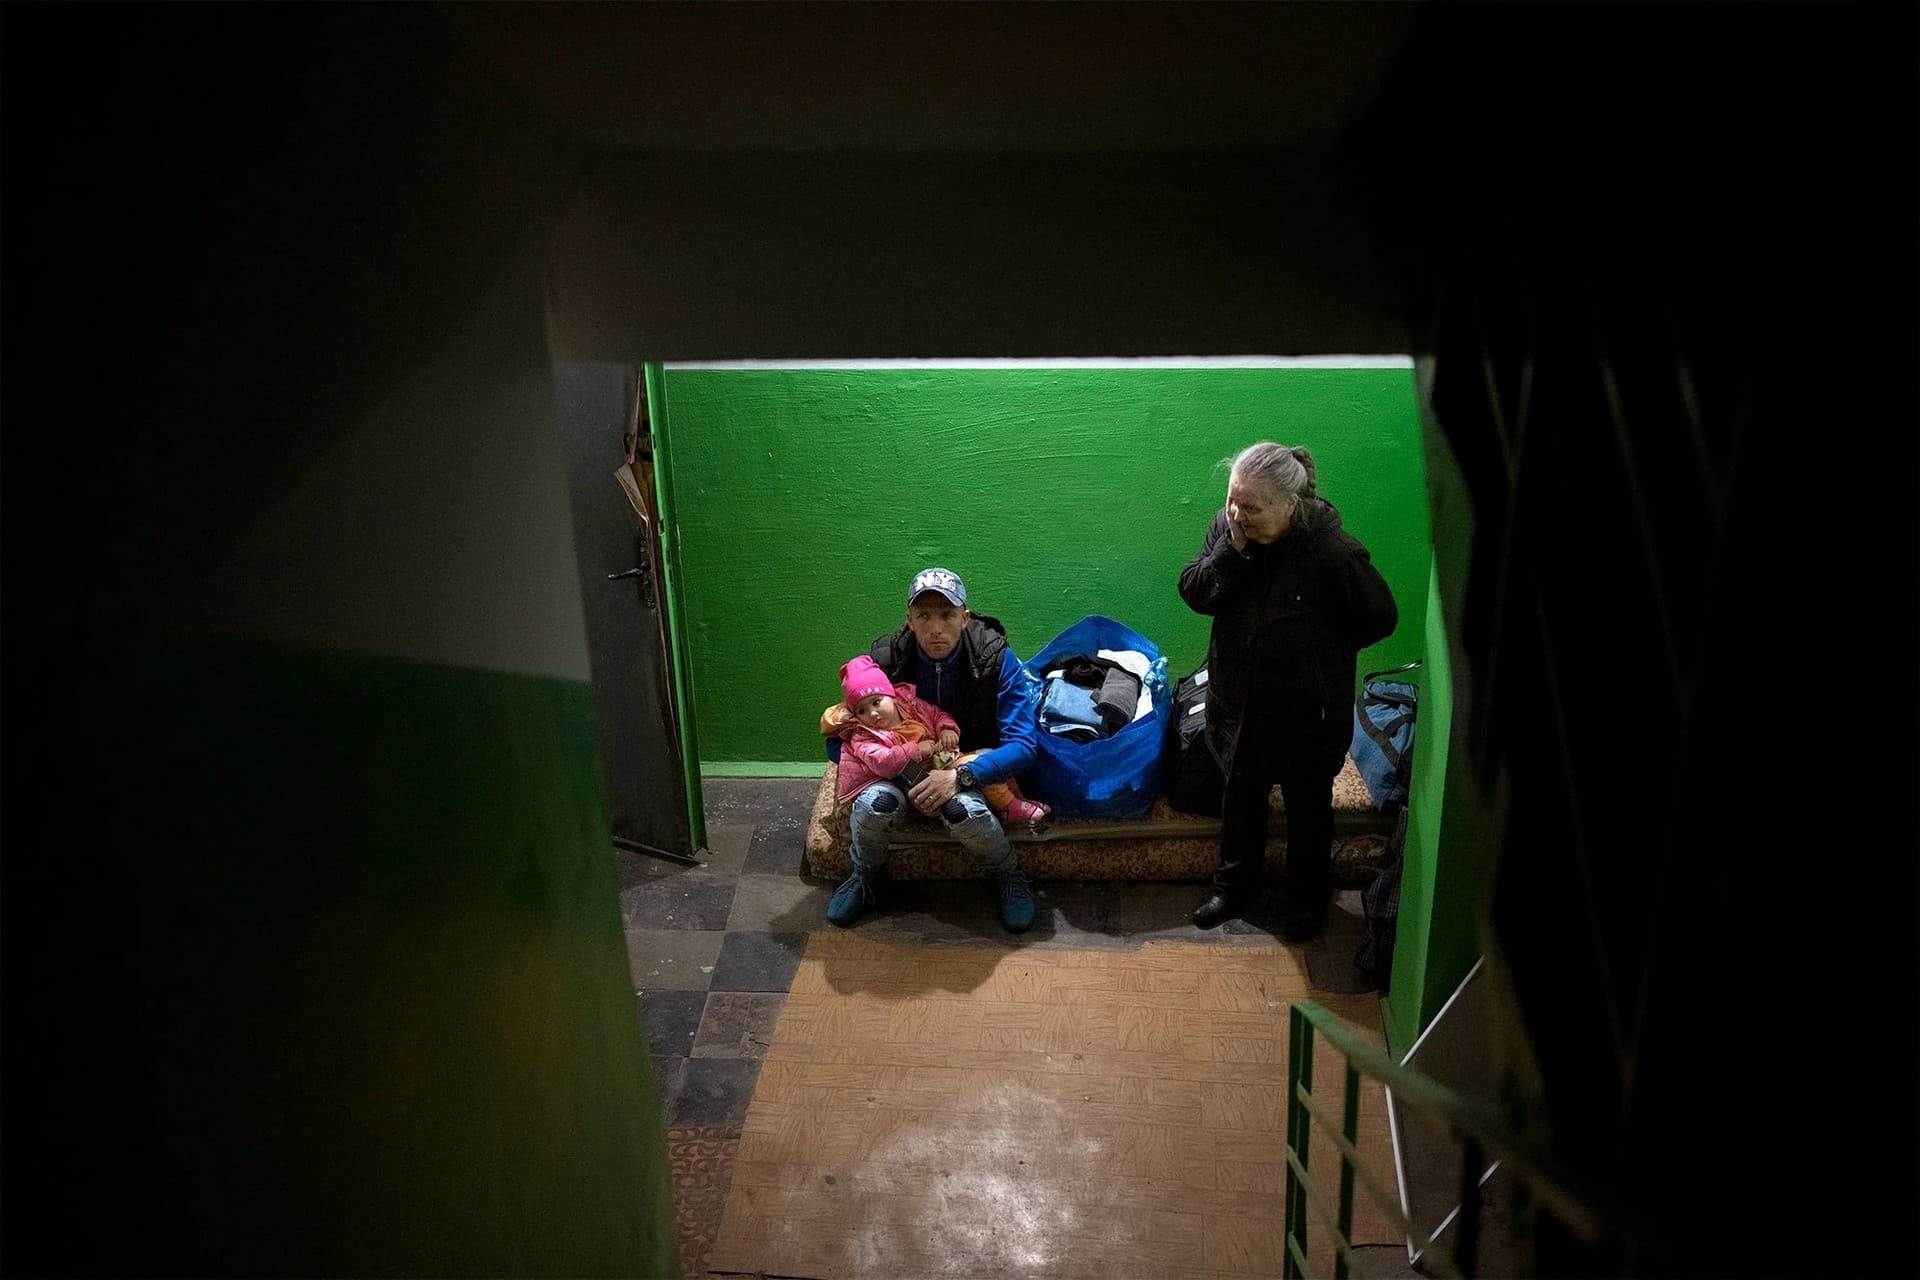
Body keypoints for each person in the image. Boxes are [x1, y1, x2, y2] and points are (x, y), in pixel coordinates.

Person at [1177, 442, 1398, 939]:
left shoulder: (1333, 552)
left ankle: (1307, 900)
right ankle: (1234, 890)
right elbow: (1195, 591)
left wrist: (1324, 654)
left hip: (1309, 716)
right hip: (1239, 707)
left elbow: (1381, 618)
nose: (1237, 515)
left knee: (1309, 810)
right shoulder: (1227, 531)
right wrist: (1231, 551)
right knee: (1240, 801)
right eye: (1232, 500)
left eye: (1251, 507)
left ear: (1290, 505)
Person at [825, 567, 1041, 932]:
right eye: (923, 616)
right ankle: (865, 874)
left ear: (964, 618)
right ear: (909, 620)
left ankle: (1008, 872)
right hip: (896, 770)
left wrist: (962, 775)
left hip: (964, 762)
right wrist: (892, 760)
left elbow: (1024, 747)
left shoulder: (995, 657)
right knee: (874, 803)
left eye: (946, 615)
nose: (935, 628)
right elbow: (837, 744)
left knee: (964, 809)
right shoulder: (886, 660)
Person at [820, 655, 1050, 827]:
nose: (873, 713)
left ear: (891, 695)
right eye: (861, 710)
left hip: (944, 761)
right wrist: (917, 750)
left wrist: (947, 729)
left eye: (876, 702)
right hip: (919, 783)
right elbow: (883, 763)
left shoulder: (910, 705)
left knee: (991, 755)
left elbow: (936, 714)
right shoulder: (863, 734)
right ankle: (1008, 808)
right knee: (976, 766)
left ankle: (1018, 799)